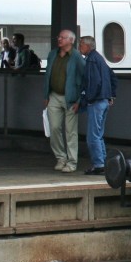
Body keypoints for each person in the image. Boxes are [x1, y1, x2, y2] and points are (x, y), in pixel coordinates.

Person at [44, 29, 86, 173]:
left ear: (71, 40)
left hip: (71, 99)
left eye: (63, 37)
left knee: (71, 131)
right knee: (54, 127)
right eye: (59, 36)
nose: (59, 39)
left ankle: (72, 162)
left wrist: (79, 100)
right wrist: (46, 96)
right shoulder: (52, 54)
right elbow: (47, 76)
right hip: (54, 95)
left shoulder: (77, 57)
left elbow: (84, 79)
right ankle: (61, 157)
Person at [78, 35, 117, 175]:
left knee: (92, 136)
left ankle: (99, 164)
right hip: (104, 101)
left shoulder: (91, 61)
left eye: (81, 44)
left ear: (88, 46)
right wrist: (111, 95)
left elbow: (93, 83)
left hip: (96, 101)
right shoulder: (99, 59)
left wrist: (88, 98)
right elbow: (112, 76)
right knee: (99, 134)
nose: (79, 46)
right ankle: (103, 162)